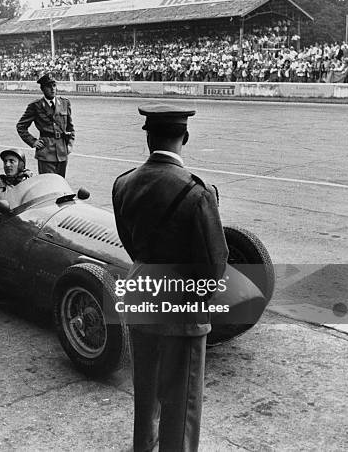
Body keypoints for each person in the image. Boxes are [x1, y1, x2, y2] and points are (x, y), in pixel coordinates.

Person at [112, 104, 229, 452]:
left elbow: (130, 243)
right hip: (182, 305)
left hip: (141, 290)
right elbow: (215, 264)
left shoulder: (124, 183)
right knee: (181, 401)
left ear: (148, 138)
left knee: (145, 389)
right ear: (186, 137)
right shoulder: (197, 192)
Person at [16, 73, 74, 177]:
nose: (52, 89)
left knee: (61, 184)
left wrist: (69, 144)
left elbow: (70, 127)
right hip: (46, 152)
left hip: (62, 151)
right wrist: (33, 142)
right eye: (49, 86)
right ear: (43, 89)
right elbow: (21, 126)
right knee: (48, 185)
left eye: (54, 85)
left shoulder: (65, 103)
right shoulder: (35, 106)